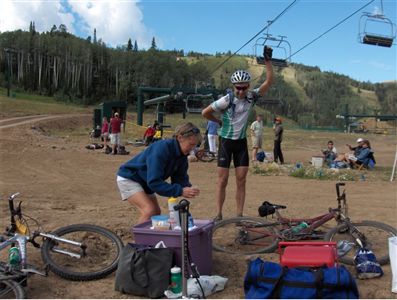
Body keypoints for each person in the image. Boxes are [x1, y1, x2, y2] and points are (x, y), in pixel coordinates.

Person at [202, 46, 274, 221]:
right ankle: (218, 213)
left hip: (241, 143)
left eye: (244, 87)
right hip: (226, 142)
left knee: (241, 180)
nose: (241, 91)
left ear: (248, 86)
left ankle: (239, 215)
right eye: (238, 88)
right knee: (223, 180)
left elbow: (269, 81)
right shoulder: (226, 100)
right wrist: (218, 121)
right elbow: (205, 112)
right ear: (233, 87)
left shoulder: (252, 96)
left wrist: (268, 62)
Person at [116, 122, 202, 224]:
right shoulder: (162, 148)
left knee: (156, 212)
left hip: (145, 182)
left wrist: (187, 188)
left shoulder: (182, 155)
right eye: (191, 144)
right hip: (130, 178)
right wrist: (180, 190)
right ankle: (138, 240)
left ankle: (150, 239)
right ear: (180, 138)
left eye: (195, 146)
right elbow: (154, 182)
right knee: (149, 210)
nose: (192, 149)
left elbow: (180, 179)